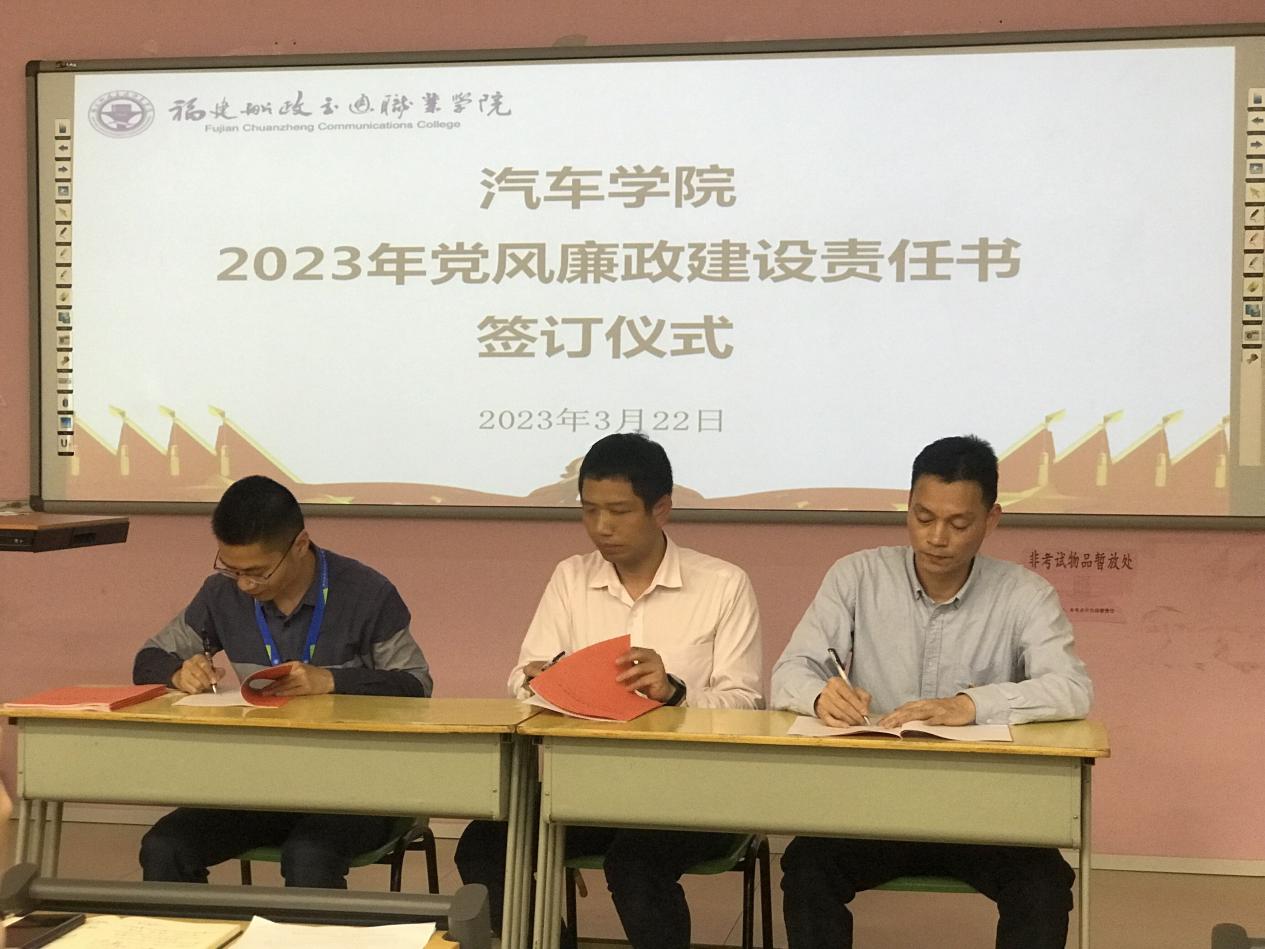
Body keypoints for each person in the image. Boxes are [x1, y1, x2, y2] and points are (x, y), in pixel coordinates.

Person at [771, 434, 1093, 949]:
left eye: (959, 524)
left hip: (981, 809)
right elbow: (789, 670)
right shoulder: (857, 576)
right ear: (908, 507)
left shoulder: (1025, 594)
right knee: (807, 868)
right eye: (923, 518)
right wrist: (817, 696)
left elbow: (1072, 689)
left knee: (1044, 884)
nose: (937, 538)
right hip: (875, 804)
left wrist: (973, 705)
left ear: (991, 519)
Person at [456, 433, 763, 949]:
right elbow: (519, 682)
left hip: (693, 791)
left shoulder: (723, 584)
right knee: (483, 845)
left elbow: (747, 705)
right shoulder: (571, 578)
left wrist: (674, 693)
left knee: (634, 862)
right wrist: (540, 678)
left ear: (661, 509)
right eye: (589, 510)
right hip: (585, 786)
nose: (601, 527)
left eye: (618, 511)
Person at [132, 475, 432, 888]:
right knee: (165, 847)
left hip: (359, 788)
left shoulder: (366, 592)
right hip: (263, 784)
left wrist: (332, 680)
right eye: (232, 569)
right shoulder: (222, 594)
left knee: (310, 856)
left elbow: (416, 685)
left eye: (257, 572)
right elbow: (147, 659)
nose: (244, 584)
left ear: (300, 545)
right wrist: (178, 673)